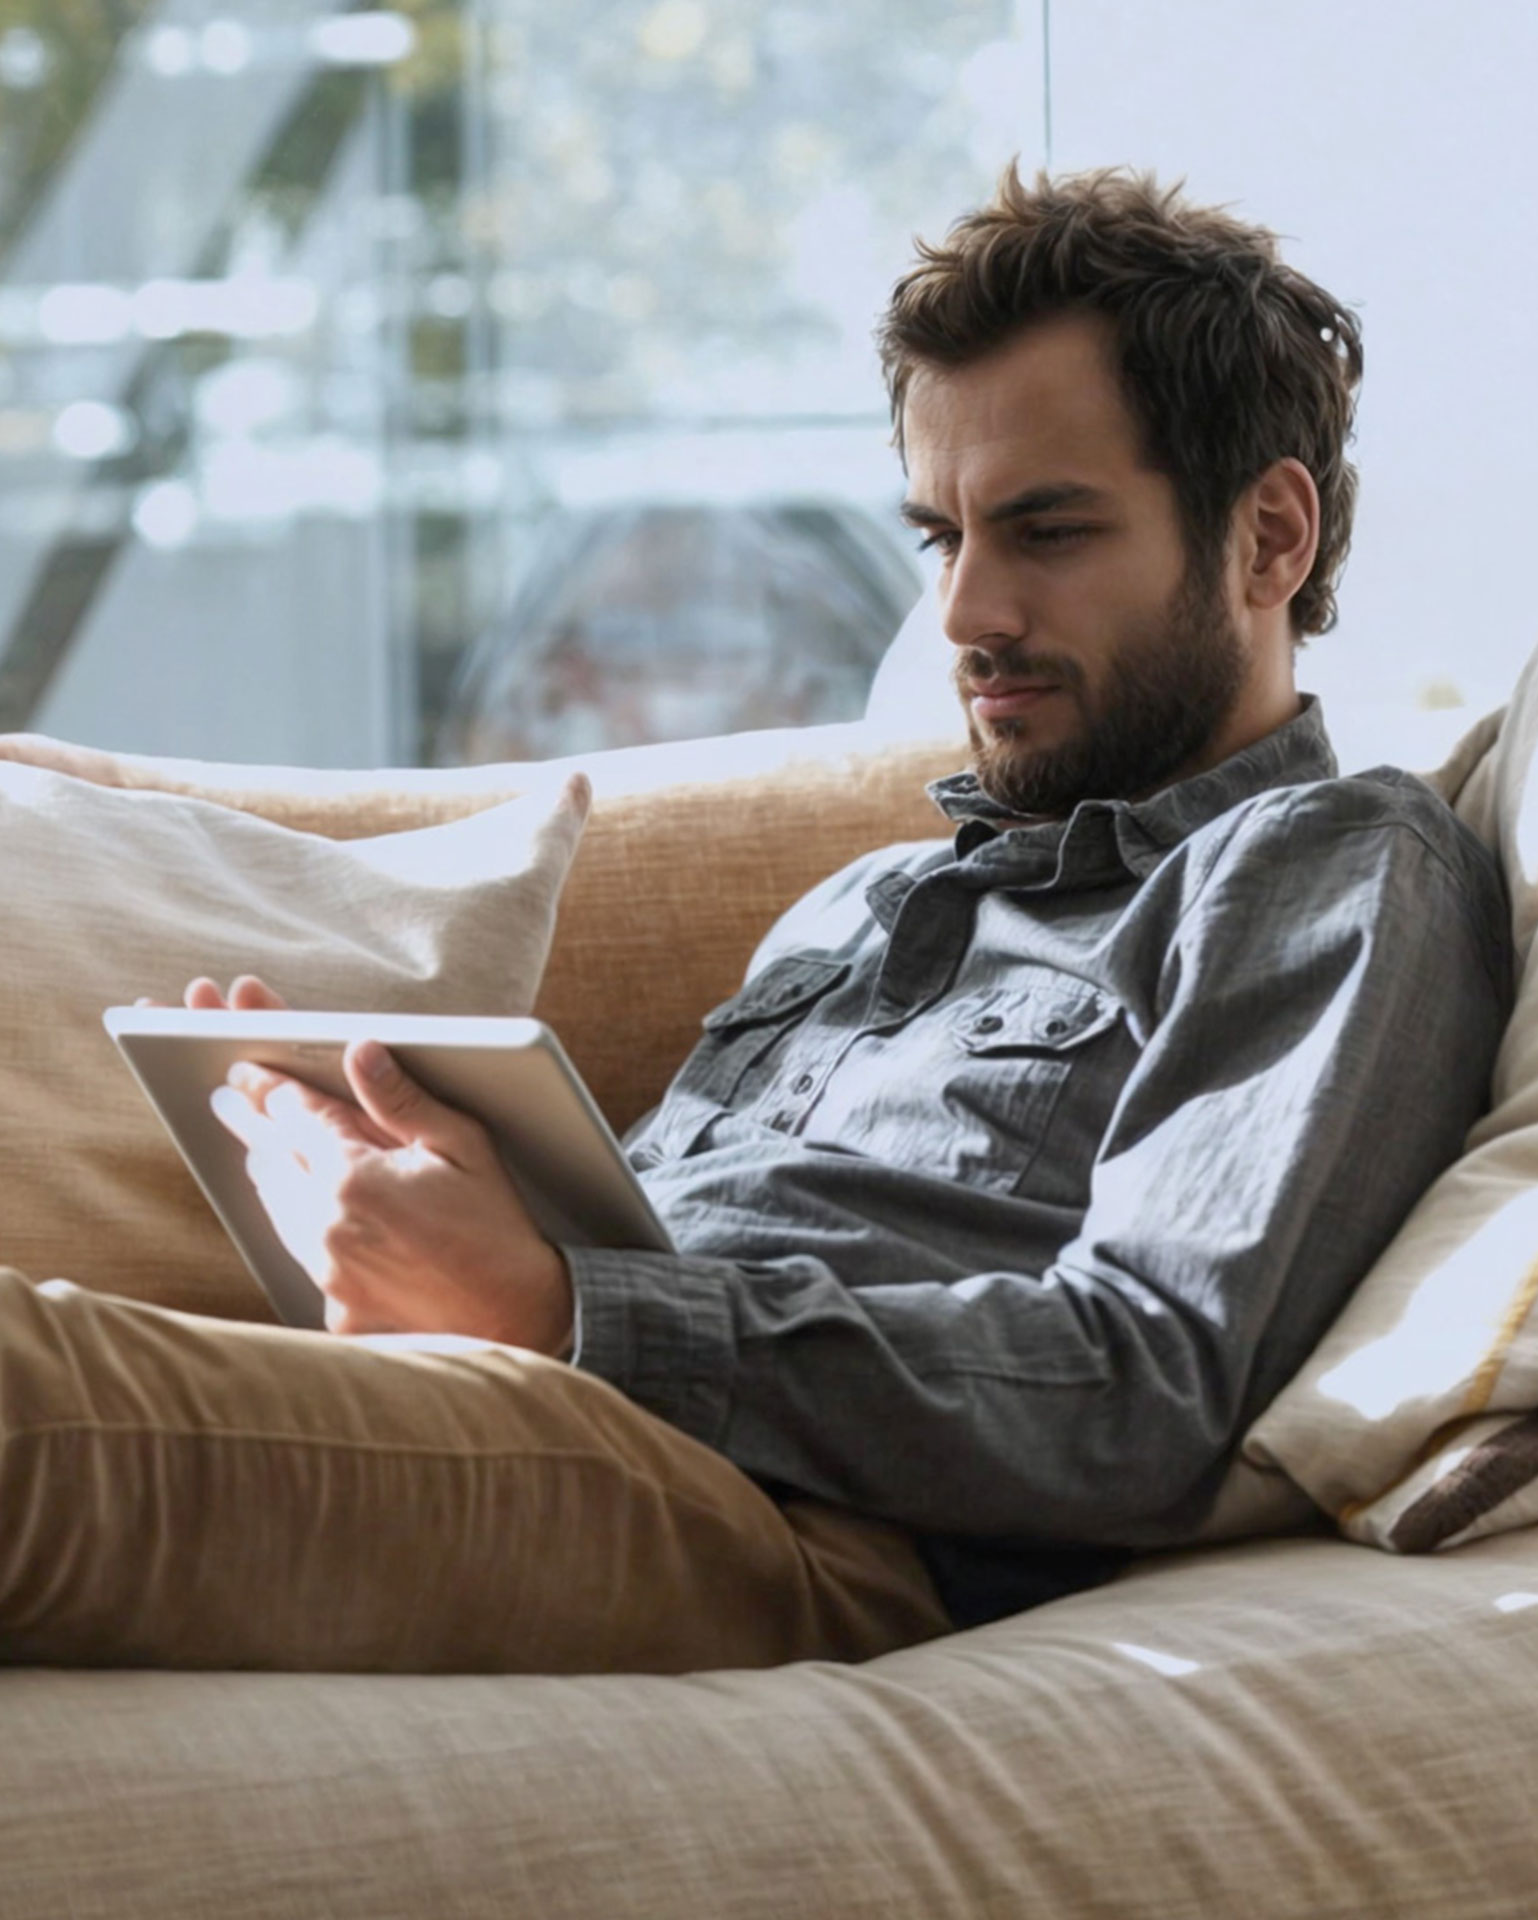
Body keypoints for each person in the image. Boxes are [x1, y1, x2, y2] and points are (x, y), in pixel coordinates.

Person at [0, 169, 1510, 1673]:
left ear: (1266, 538)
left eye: (1046, 532)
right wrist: (419, 1216)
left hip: (799, 1524)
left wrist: (559, 1305)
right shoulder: (862, 904)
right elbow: (648, 1243)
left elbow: (1146, 1390)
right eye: (941, 537)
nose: (966, 615)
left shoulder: (1321, 865)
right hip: (551, 1419)